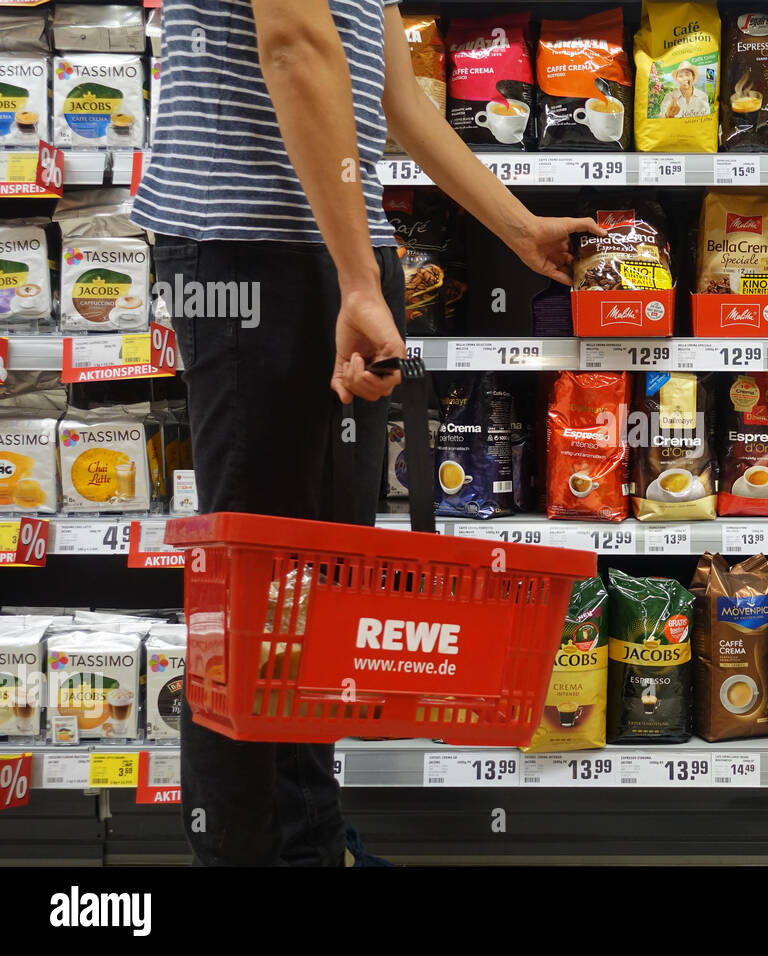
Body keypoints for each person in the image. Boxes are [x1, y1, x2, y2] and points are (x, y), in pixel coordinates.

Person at [131, 0, 602, 866]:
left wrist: (517, 225)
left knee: (319, 588)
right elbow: (296, 47)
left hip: (340, 251)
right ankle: (243, 856)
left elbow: (392, 91)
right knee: (254, 594)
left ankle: (310, 844)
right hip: (250, 251)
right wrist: (357, 281)